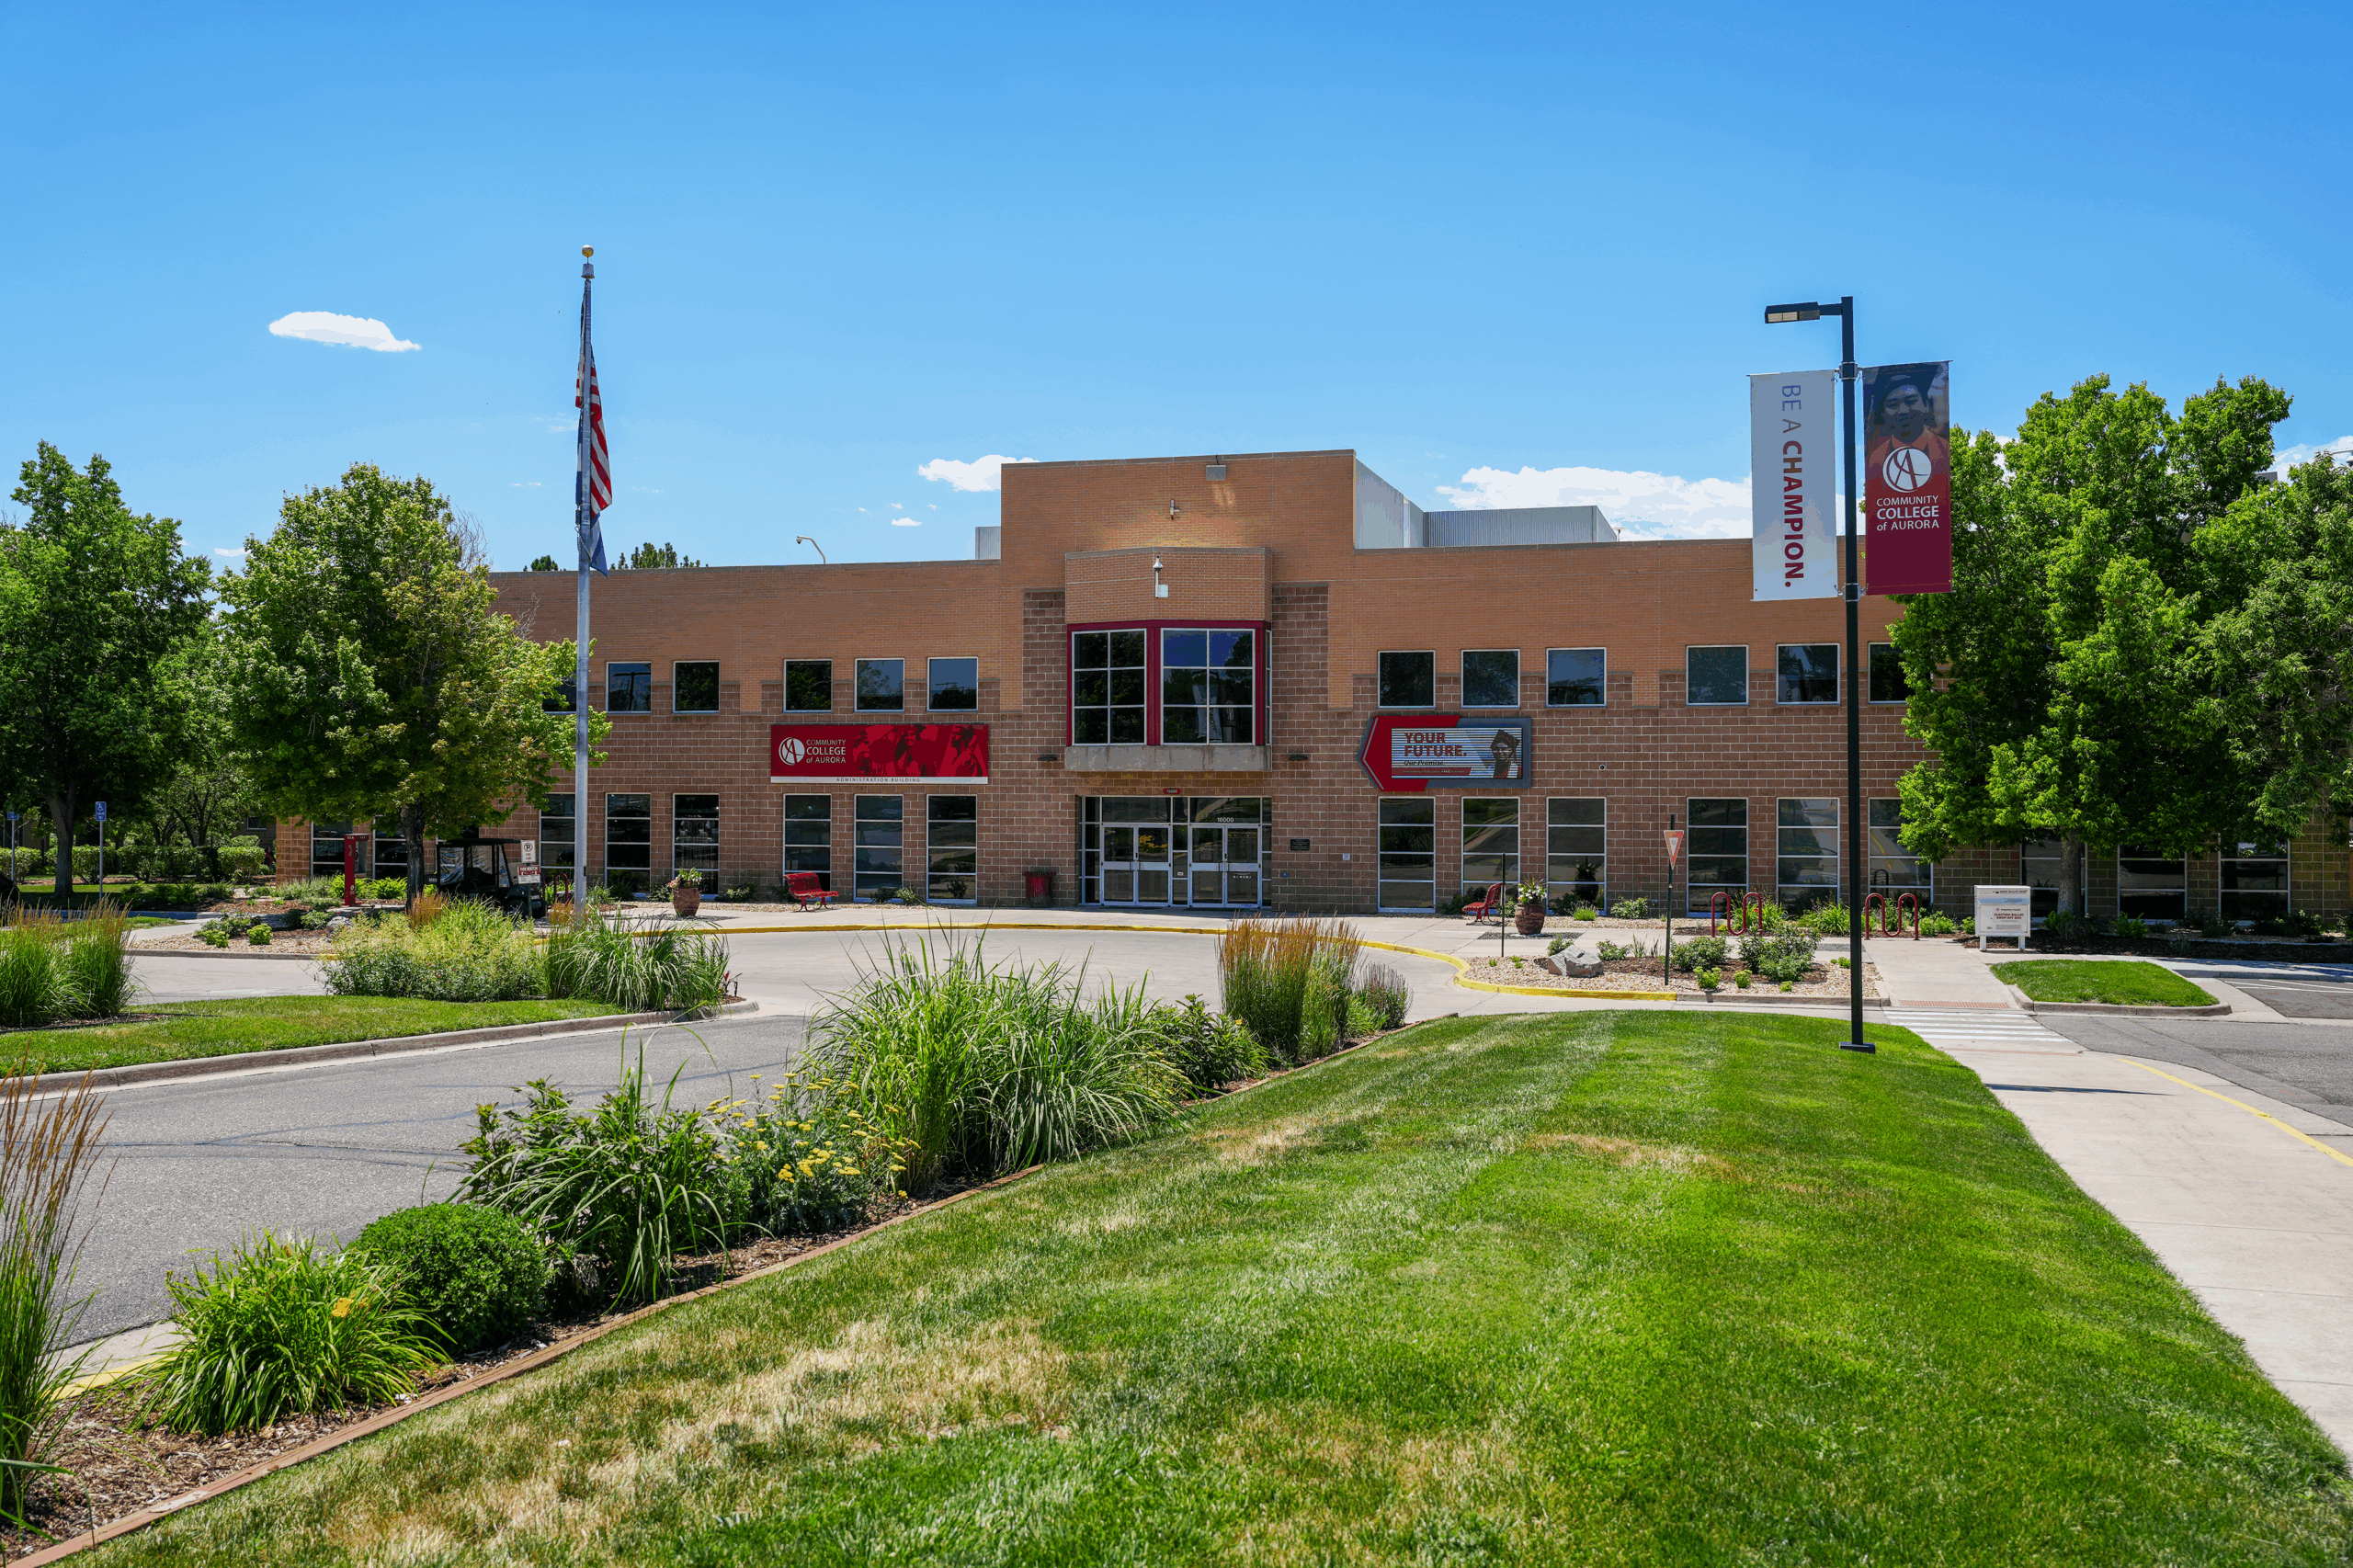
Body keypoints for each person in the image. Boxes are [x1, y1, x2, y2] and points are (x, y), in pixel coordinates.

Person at [1866, 374, 1949, 490]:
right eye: (1893, 405)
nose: (1903, 411)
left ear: (1926, 405)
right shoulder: (1876, 460)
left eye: (1911, 401)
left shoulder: (1945, 449)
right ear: (1883, 414)